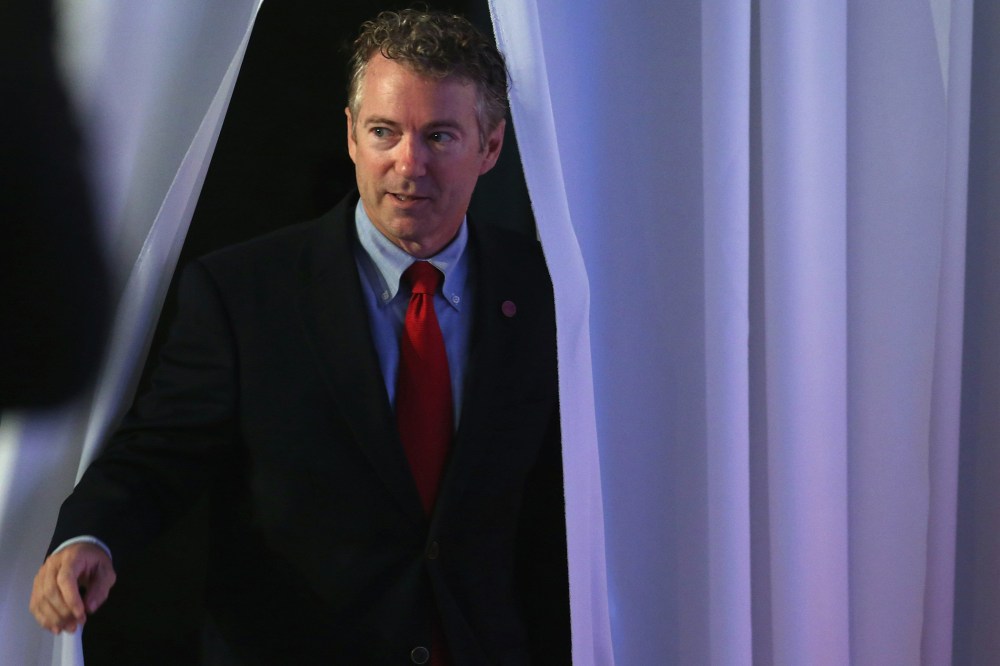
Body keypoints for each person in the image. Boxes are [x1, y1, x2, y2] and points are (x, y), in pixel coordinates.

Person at [29, 9, 569, 665]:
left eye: (440, 136)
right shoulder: (246, 293)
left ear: (491, 147)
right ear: (350, 136)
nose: (408, 162)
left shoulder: (546, 294)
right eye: (383, 132)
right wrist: (90, 537)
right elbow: (159, 454)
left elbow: (559, 510)